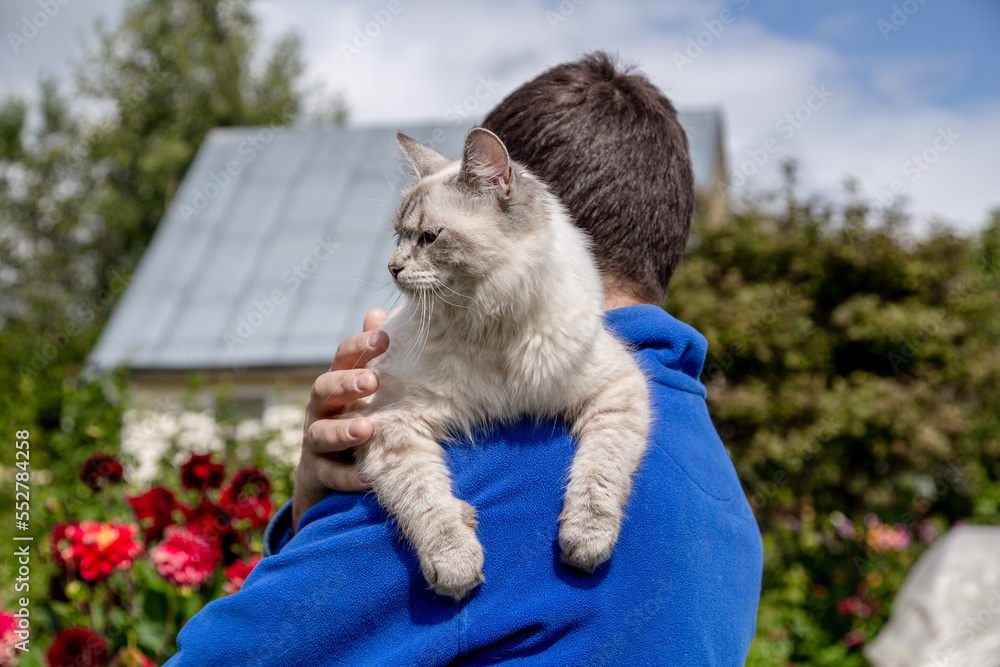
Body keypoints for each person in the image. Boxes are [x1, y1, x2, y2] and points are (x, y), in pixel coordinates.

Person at [165, 52, 763, 666]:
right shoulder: (727, 505)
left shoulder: (496, 458)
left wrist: (325, 513)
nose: (396, 263)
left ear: (522, 210)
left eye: (426, 237)